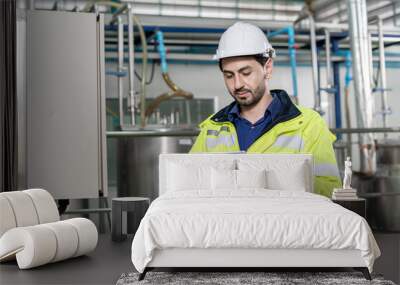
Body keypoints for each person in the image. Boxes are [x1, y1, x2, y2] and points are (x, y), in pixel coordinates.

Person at [190, 22, 341, 197]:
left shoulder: (307, 124)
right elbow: (193, 187)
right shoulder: (212, 128)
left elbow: (328, 190)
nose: (237, 84)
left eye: (246, 73)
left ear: (267, 68)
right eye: (229, 75)